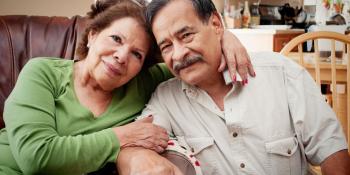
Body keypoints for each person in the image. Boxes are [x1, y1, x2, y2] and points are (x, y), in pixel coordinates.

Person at [0, 0, 255, 174]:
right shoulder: (42, 72)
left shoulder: (141, 82)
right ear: (92, 35)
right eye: (116, 39)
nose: (122, 56)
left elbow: (189, 60)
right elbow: (36, 157)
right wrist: (122, 136)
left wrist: (224, 38)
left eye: (137, 54)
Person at [117, 0, 350, 175]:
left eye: (186, 35)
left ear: (216, 25)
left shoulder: (280, 73)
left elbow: (331, 149)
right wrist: (137, 158)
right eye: (166, 46)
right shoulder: (167, 98)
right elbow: (137, 140)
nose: (178, 54)